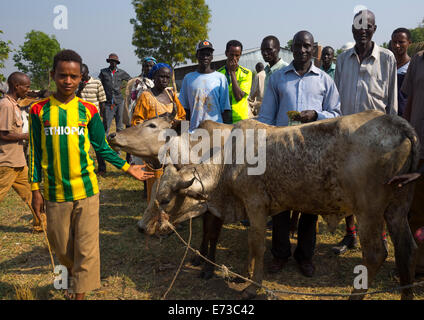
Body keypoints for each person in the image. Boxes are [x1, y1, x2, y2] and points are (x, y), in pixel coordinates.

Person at [29, 50, 154, 300]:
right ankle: (67, 282)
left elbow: (102, 147)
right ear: (53, 75)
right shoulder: (38, 110)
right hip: (55, 193)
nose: (67, 81)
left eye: (73, 76)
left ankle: (79, 294)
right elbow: (35, 151)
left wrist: (127, 167)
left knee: (86, 249)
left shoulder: (88, 111)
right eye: (62, 75)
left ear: (80, 79)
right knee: (62, 248)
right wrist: (35, 189)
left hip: (87, 191)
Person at [258, 31, 341, 277]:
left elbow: (337, 114)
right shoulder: (277, 80)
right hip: (282, 153)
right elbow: (265, 118)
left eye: (307, 46)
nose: (302, 51)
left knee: (310, 208)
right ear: (291, 48)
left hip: (314, 156)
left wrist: (316, 115)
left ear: (313, 48)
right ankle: (280, 254)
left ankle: (305, 256)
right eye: (297, 46)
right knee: (280, 208)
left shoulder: (325, 80)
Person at [333, 9, 398, 255]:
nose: (362, 30)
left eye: (367, 26)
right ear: (352, 29)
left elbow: (392, 103)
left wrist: (391, 139)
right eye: (358, 26)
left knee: (376, 190)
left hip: (376, 138)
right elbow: (336, 101)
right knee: (349, 187)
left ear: (374, 29)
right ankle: (350, 234)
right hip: (347, 136)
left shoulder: (387, 58)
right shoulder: (342, 59)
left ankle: (378, 238)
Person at [390, 49, 424, 276]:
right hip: (418, 145)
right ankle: (415, 265)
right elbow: (409, 100)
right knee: (414, 209)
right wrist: (406, 137)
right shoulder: (418, 60)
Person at [131, 63, 186, 202]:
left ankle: (170, 216)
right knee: (155, 182)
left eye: (167, 77)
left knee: (172, 180)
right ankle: (154, 217)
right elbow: (137, 122)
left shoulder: (171, 95)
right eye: (161, 76)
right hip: (153, 149)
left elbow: (182, 115)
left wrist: (177, 124)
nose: (164, 80)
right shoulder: (145, 96)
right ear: (153, 77)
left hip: (172, 146)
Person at [0, 72, 44, 232]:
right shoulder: (5, 105)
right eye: (26, 86)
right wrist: (28, 136)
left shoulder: (15, 105)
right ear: (17, 86)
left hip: (18, 162)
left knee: (34, 195)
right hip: (6, 164)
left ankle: (42, 225)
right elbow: (3, 134)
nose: (28, 90)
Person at [178, 40, 232, 132]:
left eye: (208, 54)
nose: (205, 57)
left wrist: (227, 132)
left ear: (212, 57)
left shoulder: (220, 78)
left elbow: (225, 109)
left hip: (216, 131)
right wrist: (184, 133)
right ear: (197, 56)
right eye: (202, 54)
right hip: (194, 131)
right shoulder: (188, 78)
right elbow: (185, 109)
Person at [98, 53, 131, 175]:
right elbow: (99, 85)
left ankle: (118, 150)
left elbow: (130, 80)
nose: (113, 63)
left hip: (119, 101)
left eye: (114, 62)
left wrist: (122, 88)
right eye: (111, 61)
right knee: (105, 127)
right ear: (109, 62)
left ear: (117, 63)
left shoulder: (121, 72)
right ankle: (106, 150)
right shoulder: (103, 72)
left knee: (120, 127)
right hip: (107, 103)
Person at [76, 64, 107, 174]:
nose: (81, 76)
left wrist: (103, 119)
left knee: (98, 144)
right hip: (81, 119)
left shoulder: (97, 83)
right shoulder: (77, 84)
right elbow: (75, 100)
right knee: (82, 145)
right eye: (79, 75)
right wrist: (79, 89)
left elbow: (102, 101)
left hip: (94, 118)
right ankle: (84, 168)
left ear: (87, 72)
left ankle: (102, 168)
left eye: (83, 74)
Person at [217, 40, 252, 123]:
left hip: (241, 120)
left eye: (237, 55)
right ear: (226, 53)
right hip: (223, 120)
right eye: (231, 55)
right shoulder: (218, 74)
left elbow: (239, 97)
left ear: (240, 55)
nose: (234, 58)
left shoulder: (246, 73)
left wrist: (232, 72)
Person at [391, 28, 412, 116]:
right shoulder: (386, 66)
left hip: (406, 117)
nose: (397, 45)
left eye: (401, 42)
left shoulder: (412, 66)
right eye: (394, 42)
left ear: (409, 43)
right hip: (387, 117)